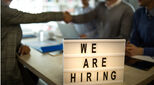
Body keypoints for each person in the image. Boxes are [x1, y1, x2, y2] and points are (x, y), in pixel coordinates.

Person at [1, 0, 71, 85]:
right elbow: (36, 17)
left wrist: (20, 46)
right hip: (6, 73)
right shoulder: (3, 11)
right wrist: (62, 15)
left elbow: (4, 38)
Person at [66, 0, 134, 40]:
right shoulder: (100, 5)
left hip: (114, 51)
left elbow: (124, 36)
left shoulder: (127, 9)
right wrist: (70, 18)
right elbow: (86, 17)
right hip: (99, 47)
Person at [125, 0, 154, 70]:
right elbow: (135, 41)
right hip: (142, 61)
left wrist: (142, 51)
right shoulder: (138, 13)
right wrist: (129, 48)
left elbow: (139, 50)